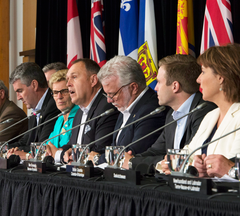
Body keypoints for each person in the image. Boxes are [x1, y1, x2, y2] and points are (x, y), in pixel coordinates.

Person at [122, 54, 217, 170]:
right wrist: (129, 159)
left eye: (158, 82)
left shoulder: (204, 111)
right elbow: (155, 151)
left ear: (175, 86)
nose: (155, 88)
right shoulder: (171, 114)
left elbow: (182, 159)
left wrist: (134, 162)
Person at [160, 44, 240, 178]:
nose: (198, 79)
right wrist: (189, 165)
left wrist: (230, 169)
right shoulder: (211, 116)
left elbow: (233, 163)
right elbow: (186, 154)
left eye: (203, 72)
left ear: (220, 77)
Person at [45, 58, 119, 164]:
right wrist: (61, 151)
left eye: (74, 77)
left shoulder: (107, 108)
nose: (68, 84)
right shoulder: (80, 112)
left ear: (93, 80)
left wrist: (58, 154)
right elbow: (72, 144)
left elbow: (99, 151)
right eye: (68, 79)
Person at [97, 55, 166, 160]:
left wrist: (97, 159)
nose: (109, 100)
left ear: (133, 88)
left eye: (112, 94)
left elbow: (132, 152)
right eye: (107, 95)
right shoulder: (125, 106)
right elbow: (114, 148)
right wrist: (87, 153)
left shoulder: (151, 110)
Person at [8, 62, 60, 156]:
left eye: (20, 91)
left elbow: (41, 146)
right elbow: (24, 142)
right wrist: (0, 149)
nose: (18, 97)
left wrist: (16, 151)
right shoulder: (35, 110)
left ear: (34, 85)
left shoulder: (53, 105)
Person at [46, 69, 79, 148]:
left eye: (64, 91)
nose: (59, 97)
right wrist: (27, 154)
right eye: (55, 92)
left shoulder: (79, 116)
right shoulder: (60, 119)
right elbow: (48, 145)